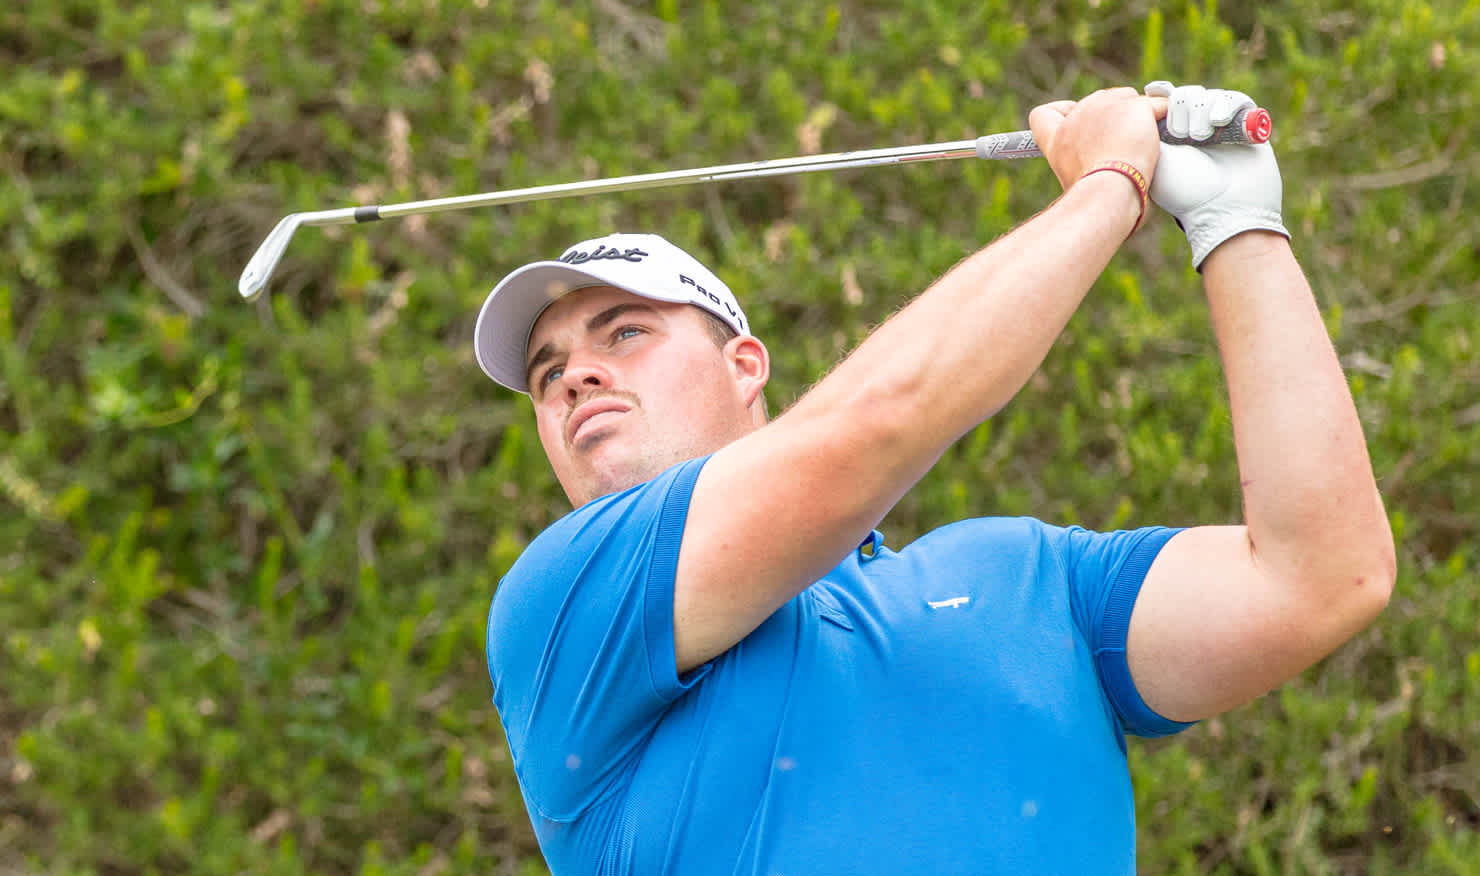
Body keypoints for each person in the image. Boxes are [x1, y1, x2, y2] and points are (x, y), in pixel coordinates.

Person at [473, 82, 1395, 875]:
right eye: (549, 373)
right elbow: (869, 432)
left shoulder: (1031, 578)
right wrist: (1109, 185)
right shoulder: (565, 605)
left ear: (746, 365)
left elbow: (1319, 578)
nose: (577, 375)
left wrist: (1239, 224)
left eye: (625, 333)